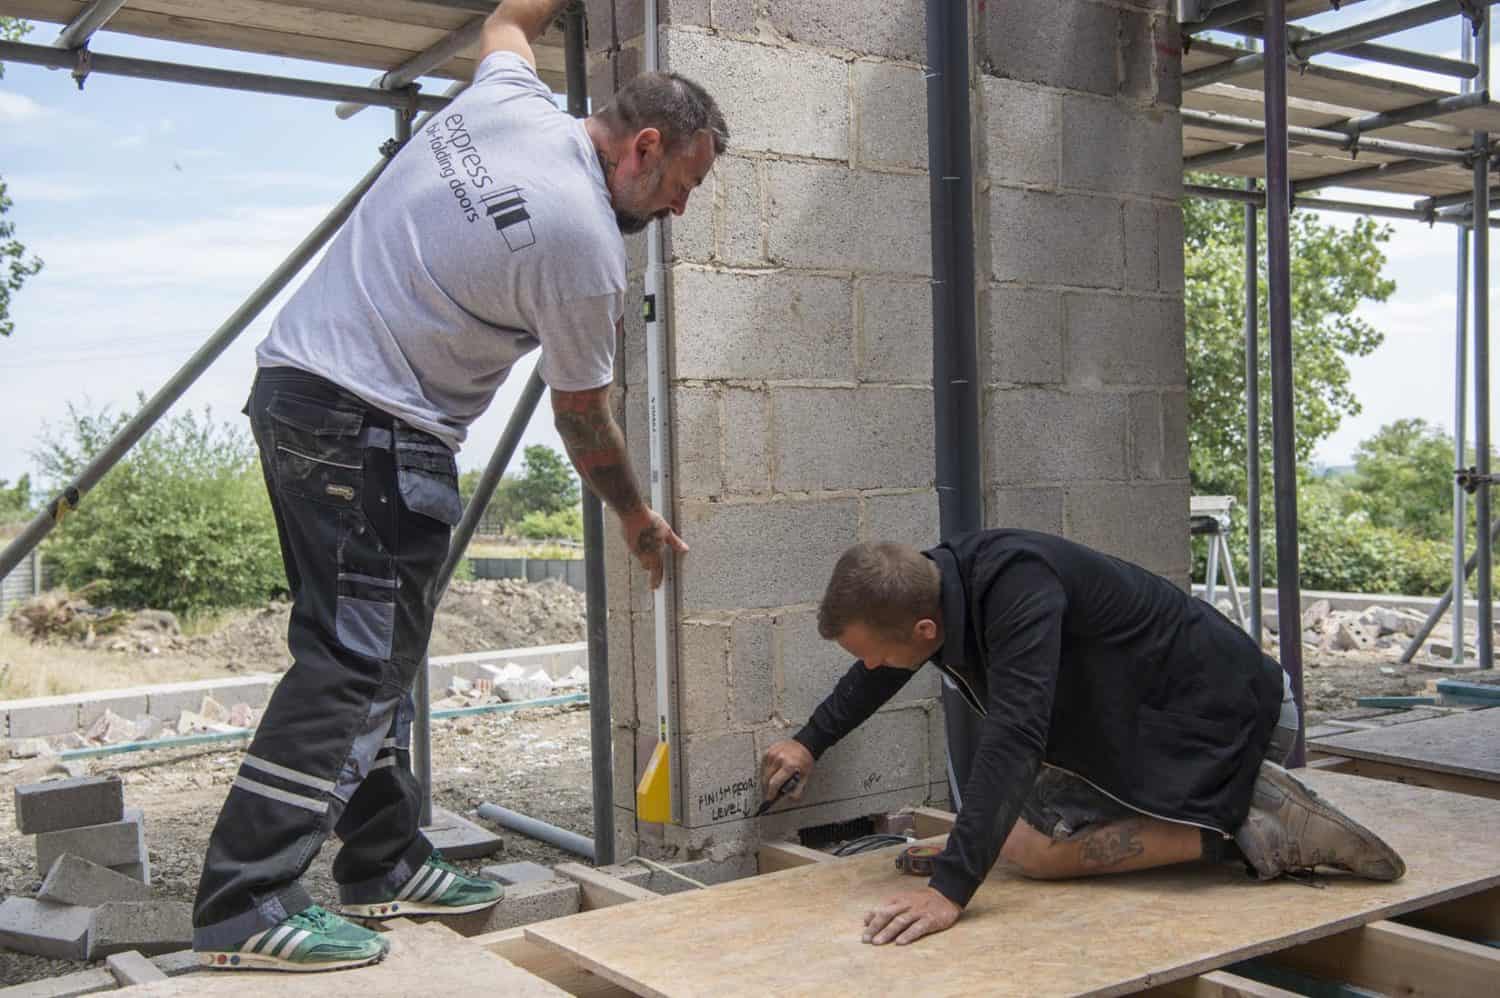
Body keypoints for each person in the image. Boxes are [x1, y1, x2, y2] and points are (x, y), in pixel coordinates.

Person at [191, 0, 727, 971]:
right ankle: (245, 900)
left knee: (374, 655)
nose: (680, 209)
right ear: (646, 146)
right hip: (370, 429)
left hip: (301, 393)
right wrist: (637, 515)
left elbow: (508, 20)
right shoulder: (584, 247)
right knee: (350, 665)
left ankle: (384, 858)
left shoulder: (512, 99)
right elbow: (582, 418)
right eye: (684, 184)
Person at [761, 530, 1405, 948]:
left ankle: (1254, 826)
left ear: (924, 627)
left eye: (870, 654)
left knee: (1037, 853)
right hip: (1157, 723)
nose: (868, 666)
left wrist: (949, 891)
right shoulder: (934, 587)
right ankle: (1238, 811)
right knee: (1008, 837)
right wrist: (809, 742)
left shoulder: (1017, 591)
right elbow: (876, 673)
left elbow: (1015, 737)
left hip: (1235, 722)